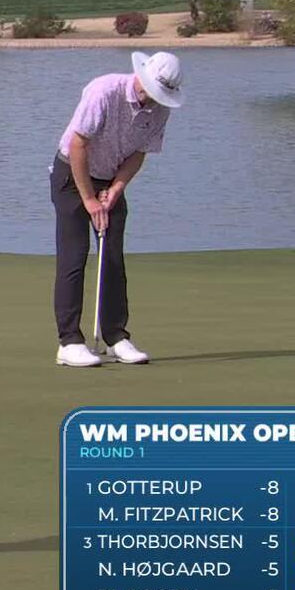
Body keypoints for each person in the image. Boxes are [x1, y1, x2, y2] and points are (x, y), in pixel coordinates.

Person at [51, 51, 184, 368]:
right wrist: (89, 199)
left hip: (110, 178)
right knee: (75, 254)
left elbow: (139, 153)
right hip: (72, 174)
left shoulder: (161, 108)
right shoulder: (104, 90)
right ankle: (69, 342)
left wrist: (115, 189)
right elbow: (77, 145)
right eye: (150, 91)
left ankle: (115, 337)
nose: (152, 99)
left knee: (112, 256)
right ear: (142, 76)